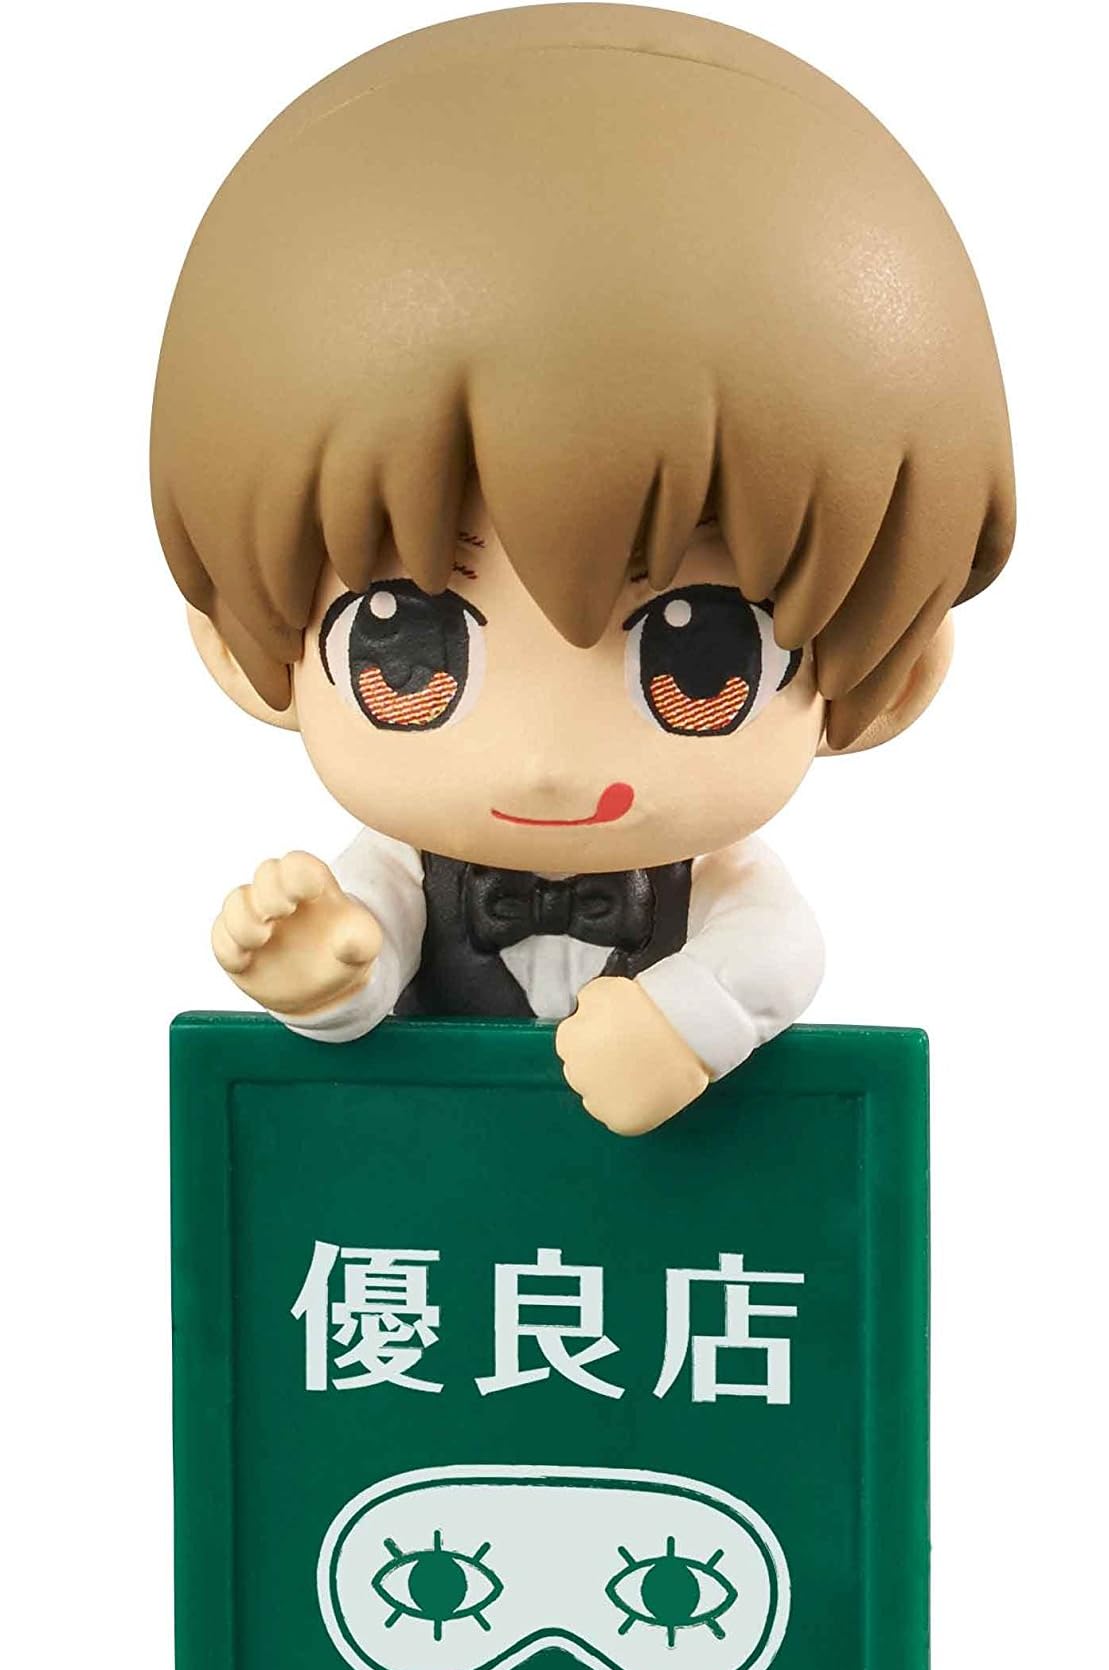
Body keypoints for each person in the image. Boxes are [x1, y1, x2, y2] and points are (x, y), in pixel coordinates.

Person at [151, 5, 1014, 1134]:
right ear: (240, 645)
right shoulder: (400, 874)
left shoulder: (720, 889)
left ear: (891, 682)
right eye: (404, 646)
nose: (547, 764)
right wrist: (327, 982)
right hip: (436, 1191)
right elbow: (370, 960)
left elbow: (776, 949)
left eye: (697, 660)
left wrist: (690, 1022)